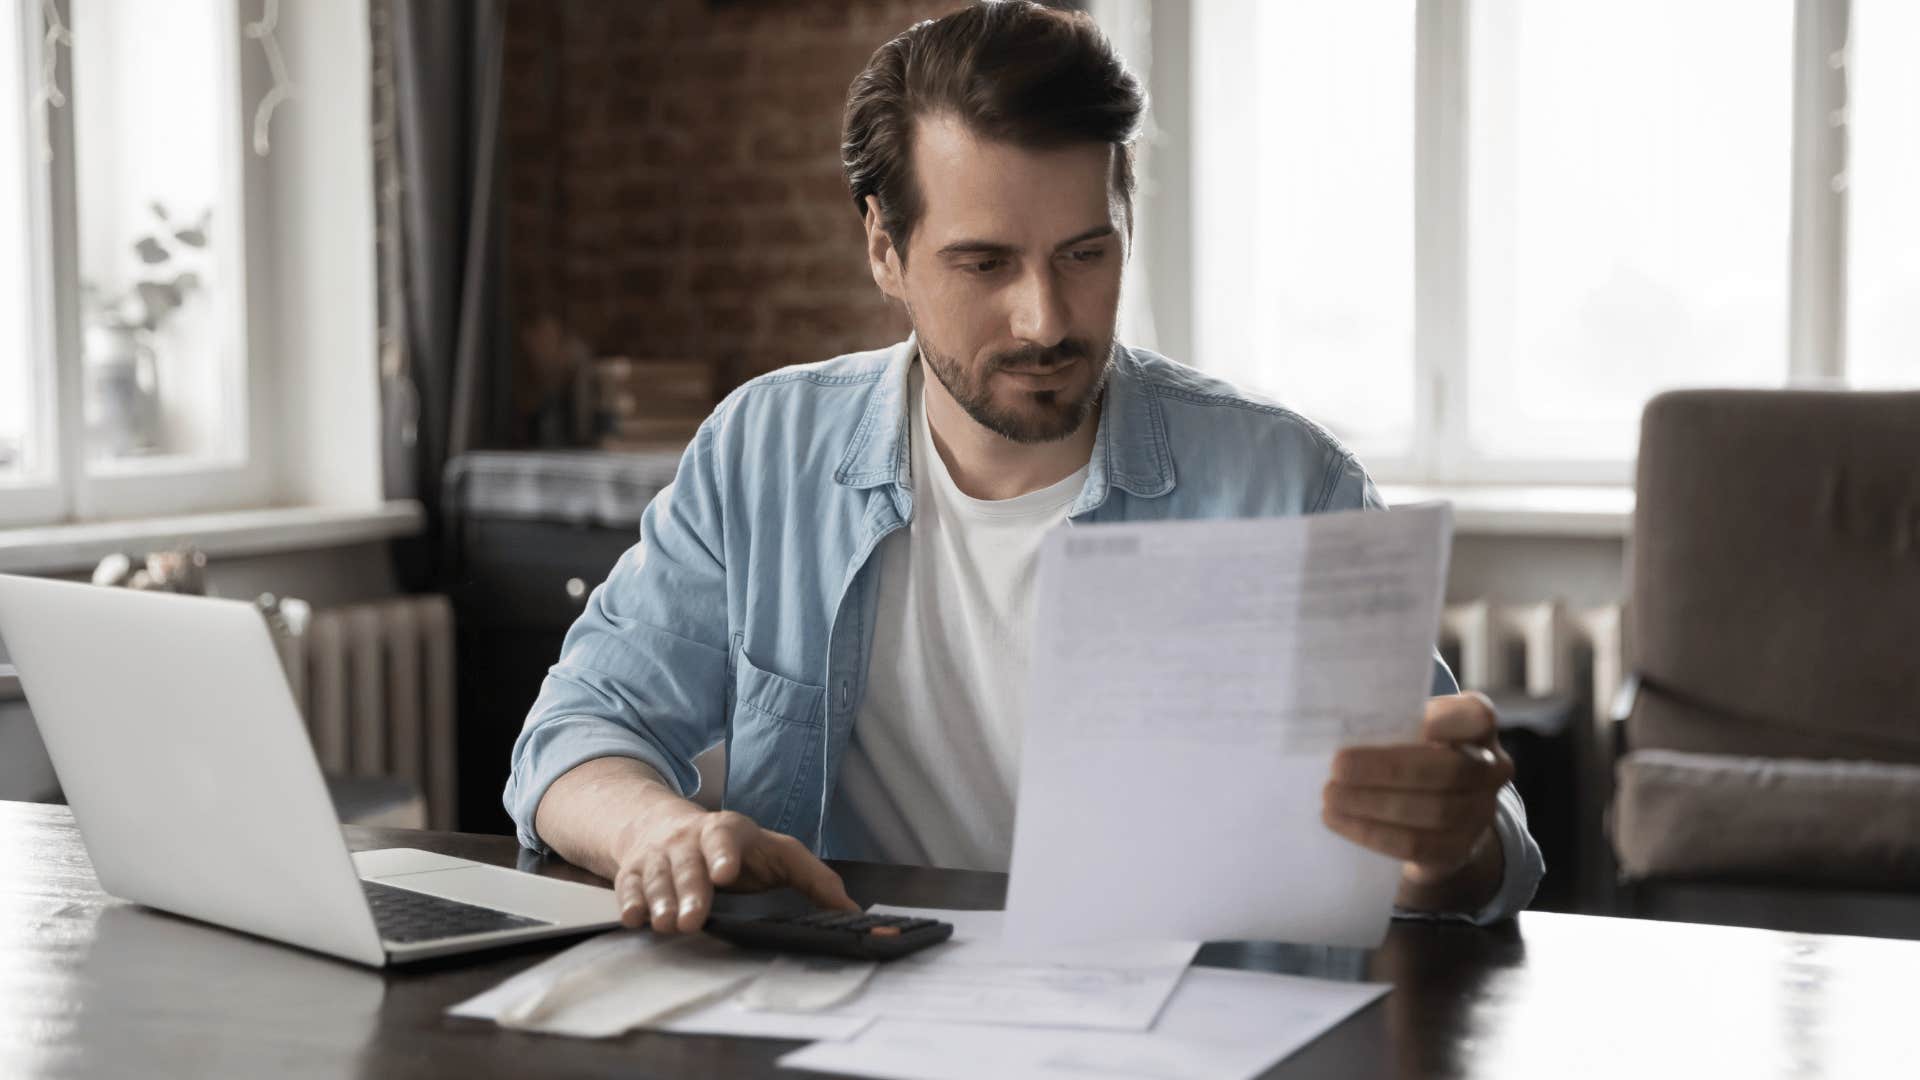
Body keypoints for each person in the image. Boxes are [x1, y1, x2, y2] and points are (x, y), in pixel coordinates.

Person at [506, 1, 1543, 935]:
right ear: (883, 248)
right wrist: (656, 831)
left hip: (1188, 1029)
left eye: (1085, 254)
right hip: (849, 1010)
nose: (1046, 319)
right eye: (985, 263)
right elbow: (576, 732)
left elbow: (1477, 851)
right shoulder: (761, 455)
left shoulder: (1288, 483)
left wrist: (1448, 840)